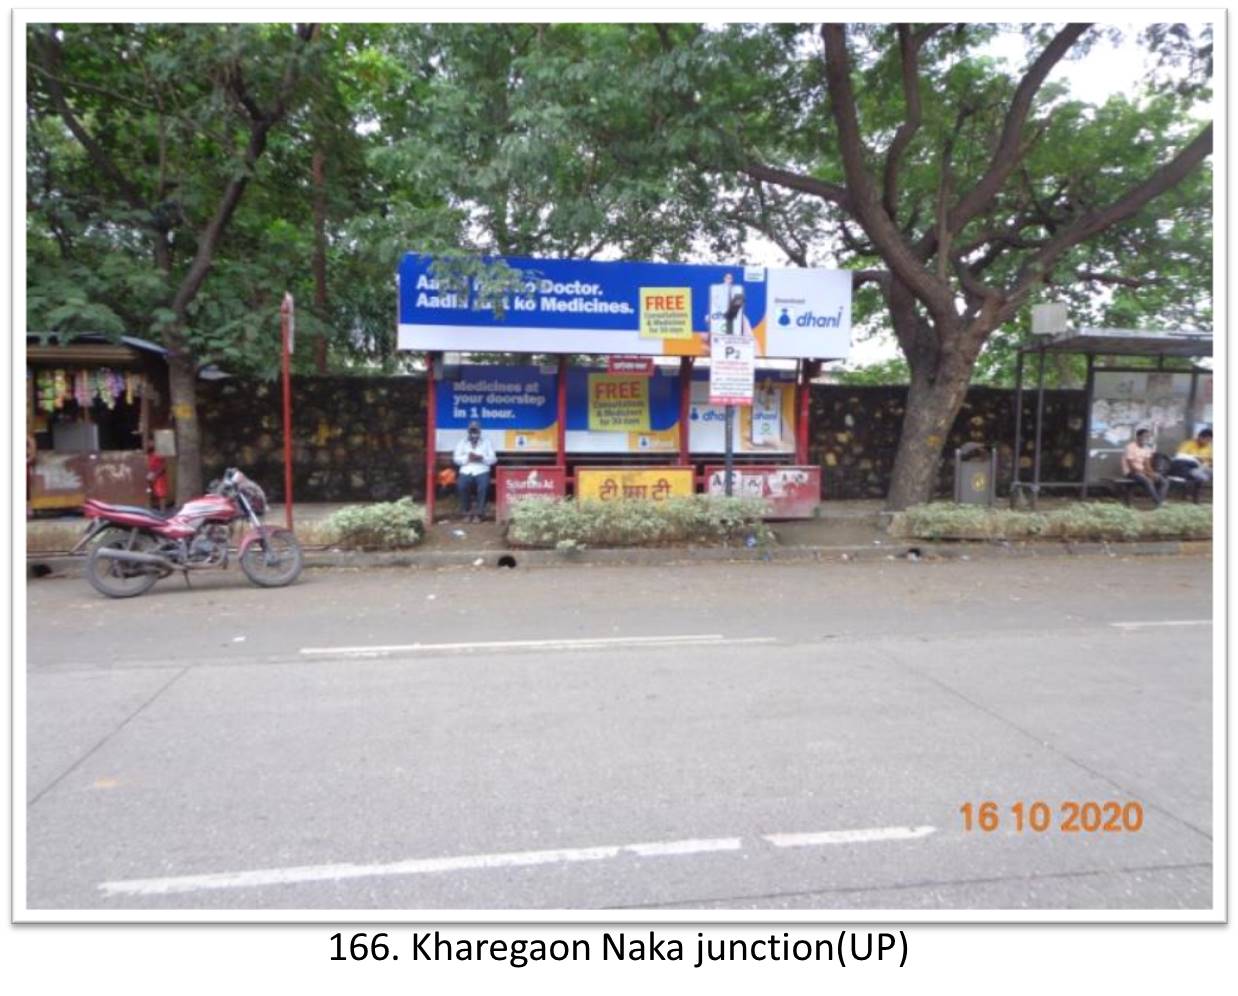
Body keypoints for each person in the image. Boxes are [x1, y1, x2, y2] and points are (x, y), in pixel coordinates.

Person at [452, 421, 496, 522]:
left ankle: (479, 514)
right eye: (472, 430)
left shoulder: (486, 442)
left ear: (479, 431)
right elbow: (456, 459)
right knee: (462, 485)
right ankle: (466, 512)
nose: (474, 432)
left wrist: (482, 458)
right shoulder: (462, 442)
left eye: (476, 430)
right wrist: (467, 458)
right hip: (466, 469)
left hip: (482, 470)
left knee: (484, 487)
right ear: (468, 431)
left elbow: (493, 459)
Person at [1120, 428, 1169, 507]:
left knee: (1164, 481)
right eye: (1145, 436)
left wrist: (1152, 473)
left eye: (1148, 437)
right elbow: (1131, 465)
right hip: (1131, 472)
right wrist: (1146, 473)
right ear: (1138, 437)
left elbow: (1147, 463)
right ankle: (1158, 502)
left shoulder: (1146, 448)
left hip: (1143, 472)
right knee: (1148, 480)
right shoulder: (1130, 447)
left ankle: (1159, 500)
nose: (1146, 438)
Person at [1170, 427, 1213, 502]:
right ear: (1200, 437)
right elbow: (1180, 456)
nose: (1208, 442)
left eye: (1210, 440)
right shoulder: (1188, 444)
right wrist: (1197, 458)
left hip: (1204, 467)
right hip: (1189, 467)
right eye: (1206, 440)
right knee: (1199, 476)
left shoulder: (1208, 447)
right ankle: (1194, 497)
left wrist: (1209, 462)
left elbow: (1210, 460)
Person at [145, 442, 169, 511]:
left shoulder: (159, 453)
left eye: (151, 443)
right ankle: (151, 509)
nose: (149, 444)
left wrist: (155, 475)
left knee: (161, 494)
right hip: (150, 475)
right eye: (148, 443)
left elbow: (163, 466)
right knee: (149, 492)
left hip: (159, 477)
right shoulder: (148, 454)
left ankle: (162, 510)